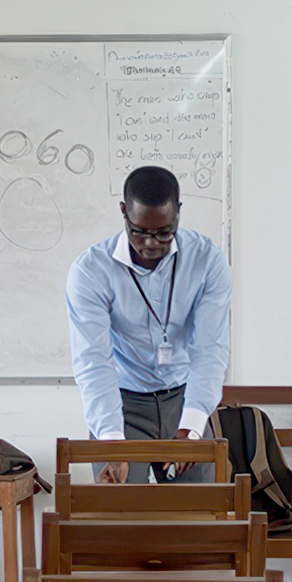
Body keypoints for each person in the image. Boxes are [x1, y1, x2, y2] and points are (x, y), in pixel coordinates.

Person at [64, 163, 232, 483]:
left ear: (178, 214)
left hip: (184, 397)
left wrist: (192, 427)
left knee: (200, 520)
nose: (151, 243)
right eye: (139, 231)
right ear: (124, 213)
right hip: (123, 402)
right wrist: (112, 441)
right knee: (119, 518)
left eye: (164, 231)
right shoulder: (90, 272)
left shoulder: (207, 261)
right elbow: (93, 362)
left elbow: (210, 350)